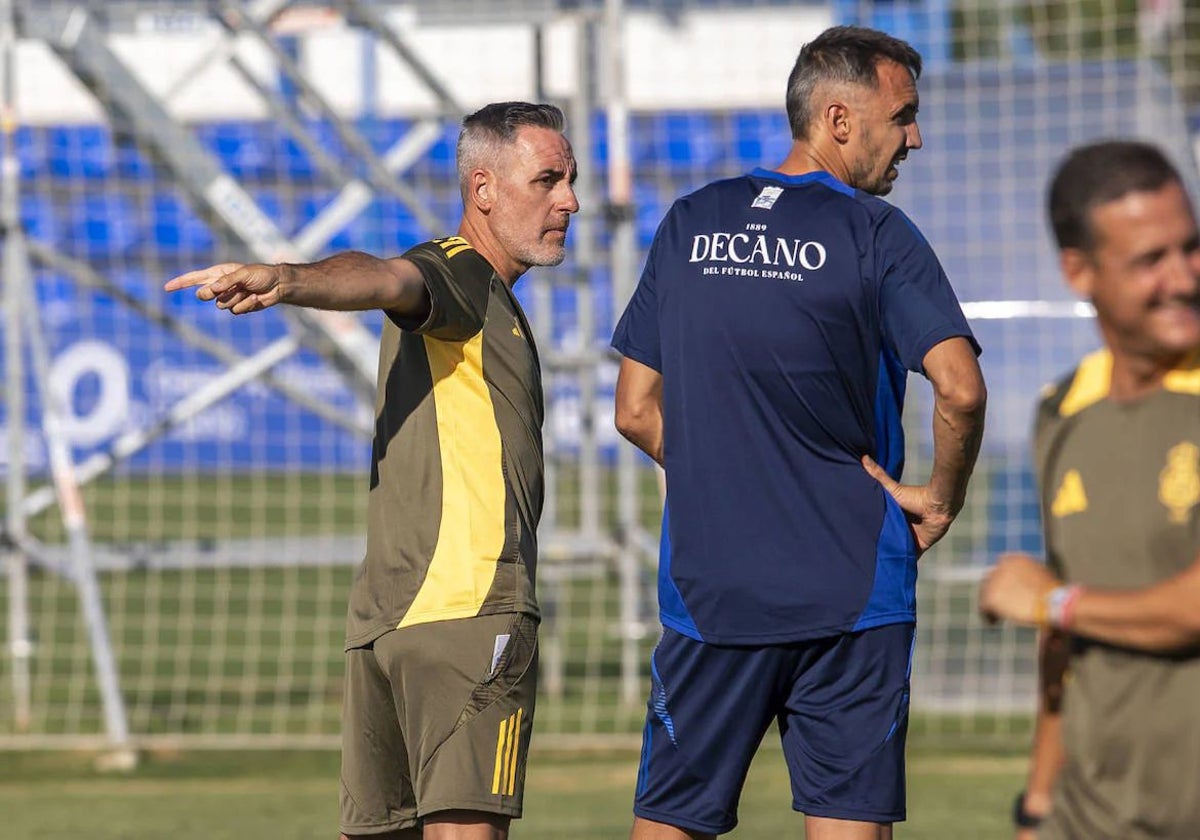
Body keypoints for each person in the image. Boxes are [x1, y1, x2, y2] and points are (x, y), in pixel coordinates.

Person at [165, 101, 579, 840]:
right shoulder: (464, 277)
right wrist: (290, 280)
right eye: (547, 180)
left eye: (570, 180)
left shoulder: (487, 301)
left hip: (384, 627)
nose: (569, 201)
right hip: (470, 614)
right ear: (483, 188)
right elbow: (389, 279)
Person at [611, 25, 986, 840]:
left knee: (669, 822)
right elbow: (959, 389)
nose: (915, 136)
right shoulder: (879, 235)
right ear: (841, 121)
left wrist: (728, 470)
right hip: (853, 588)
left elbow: (634, 409)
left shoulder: (689, 220)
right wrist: (940, 500)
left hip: (712, 591)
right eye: (904, 115)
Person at [978, 140, 1200, 840]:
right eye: (1150, 260)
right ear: (1079, 271)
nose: (1185, 277)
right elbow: (1064, 648)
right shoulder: (1061, 413)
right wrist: (1036, 806)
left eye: (1190, 248)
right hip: (1089, 821)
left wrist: (1051, 600)